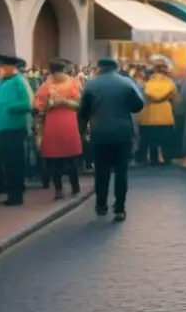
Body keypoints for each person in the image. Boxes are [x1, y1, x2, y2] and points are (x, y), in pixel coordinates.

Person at [77, 57, 145, 221]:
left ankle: (101, 205)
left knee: (101, 172)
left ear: (99, 68)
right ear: (116, 68)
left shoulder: (91, 85)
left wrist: (83, 133)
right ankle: (120, 208)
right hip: (122, 133)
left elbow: (82, 113)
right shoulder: (126, 83)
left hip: (99, 133)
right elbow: (138, 106)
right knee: (122, 172)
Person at [33, 58, 83, 199]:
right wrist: (49, 105)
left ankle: (75, 187)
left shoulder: (74, 84)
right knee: (54, 160)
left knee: (71, 159)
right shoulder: (45, 86)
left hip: (69, 125)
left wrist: (64, 101)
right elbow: (38, 108)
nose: (58, 77)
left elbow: (81, 104)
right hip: (52, 126)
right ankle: (58, 189)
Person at [0, 54, 32, 205]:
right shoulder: (1, 82)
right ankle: (13, 192)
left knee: (14, 163)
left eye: (1, 67)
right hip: (2, 128)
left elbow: (28, 104)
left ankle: (16, 196)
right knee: (7, 163)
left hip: (15, 128)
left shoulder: (19, 81)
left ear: (10, 67)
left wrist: (9, 107)